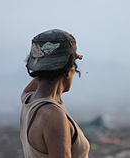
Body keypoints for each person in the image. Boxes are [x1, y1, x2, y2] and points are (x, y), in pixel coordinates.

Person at [20, 29, 90, 158]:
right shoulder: (53, 116)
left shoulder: (29, 100)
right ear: (69, 71)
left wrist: (59, 60)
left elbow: (30, 87)